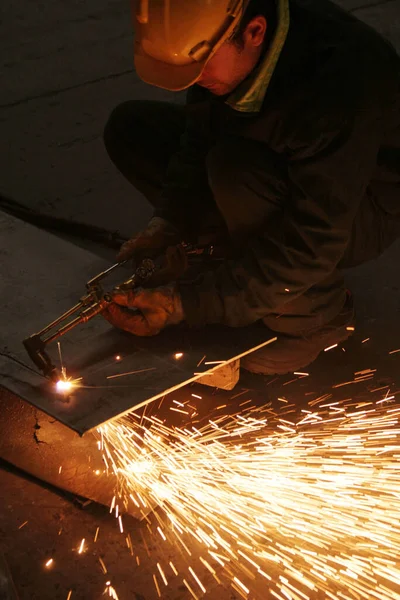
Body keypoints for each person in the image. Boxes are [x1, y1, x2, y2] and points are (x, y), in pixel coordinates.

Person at [102, 0, 400, 375]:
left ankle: (318, 314)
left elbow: (314, 240)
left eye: (201, 67)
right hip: (277, 160)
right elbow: (200, 133)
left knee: (233, 172)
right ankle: (236, 261)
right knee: (130, 128)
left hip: (359, 206)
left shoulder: (338, 88)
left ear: (254, 32)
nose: (194, 82)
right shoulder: (222, 43)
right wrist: (170, 218)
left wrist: (189, 305)